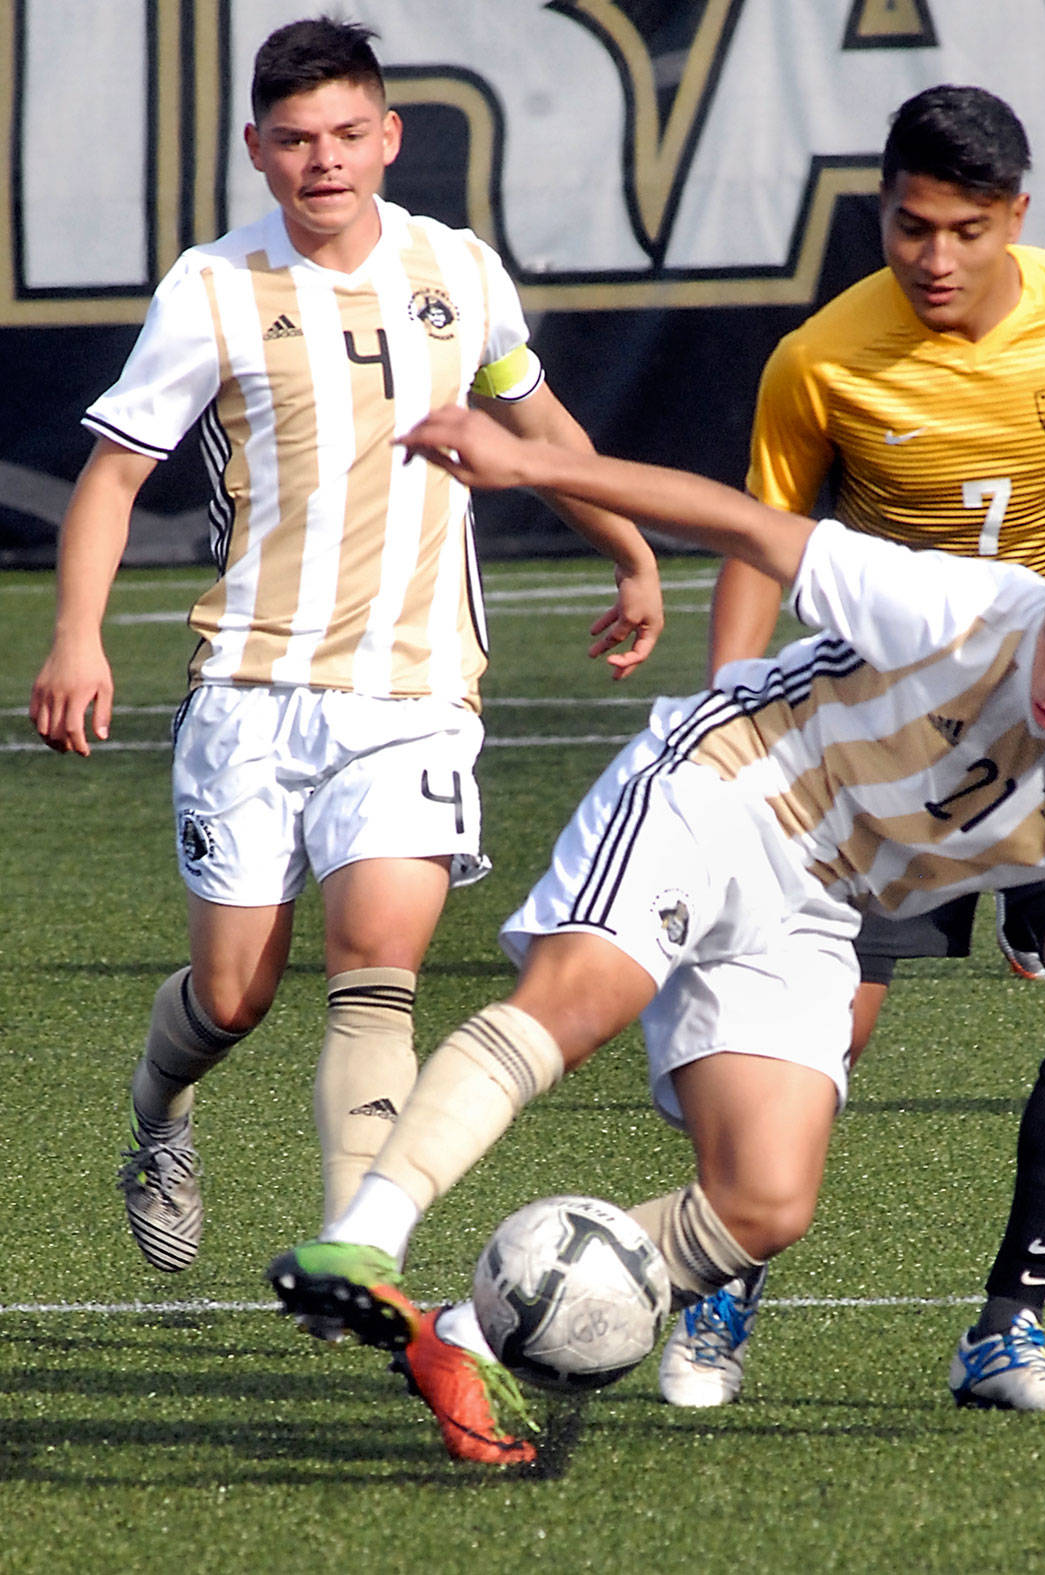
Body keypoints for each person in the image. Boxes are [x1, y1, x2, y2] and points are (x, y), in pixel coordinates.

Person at [268, 402, 1045, 1468]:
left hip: (820, 900)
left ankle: (467, 1337)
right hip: (724, 779)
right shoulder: (968, 610)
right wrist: (528, 460)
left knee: (764, 1202)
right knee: (579, 1001)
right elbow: (746, 527)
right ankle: (366, 1236)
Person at [27, 19, 661, 1286]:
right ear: (258, 152)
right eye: (296, 141)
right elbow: (111, 476)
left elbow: (533, 421)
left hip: (416, 690)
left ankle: (355, 1260)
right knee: (232, 999)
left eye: (346, 136)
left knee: (378, 974)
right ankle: (160, 1114)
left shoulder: (457, 269)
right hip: (252, 691)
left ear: (389, 137)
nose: (324, 162)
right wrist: (77, 638)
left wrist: (630, 547)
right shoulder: (211, 287)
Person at [666, 84, 1045, 1414]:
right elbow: (762, 536)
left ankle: (1006, 1331)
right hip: (879, 752)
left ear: (1017, 215)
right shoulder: (820, 358)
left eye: (967, 228)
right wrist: (723, 709)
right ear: (883, 213)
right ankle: (724, 1274)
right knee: (815, 1033)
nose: (937, 257)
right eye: (912, 226)